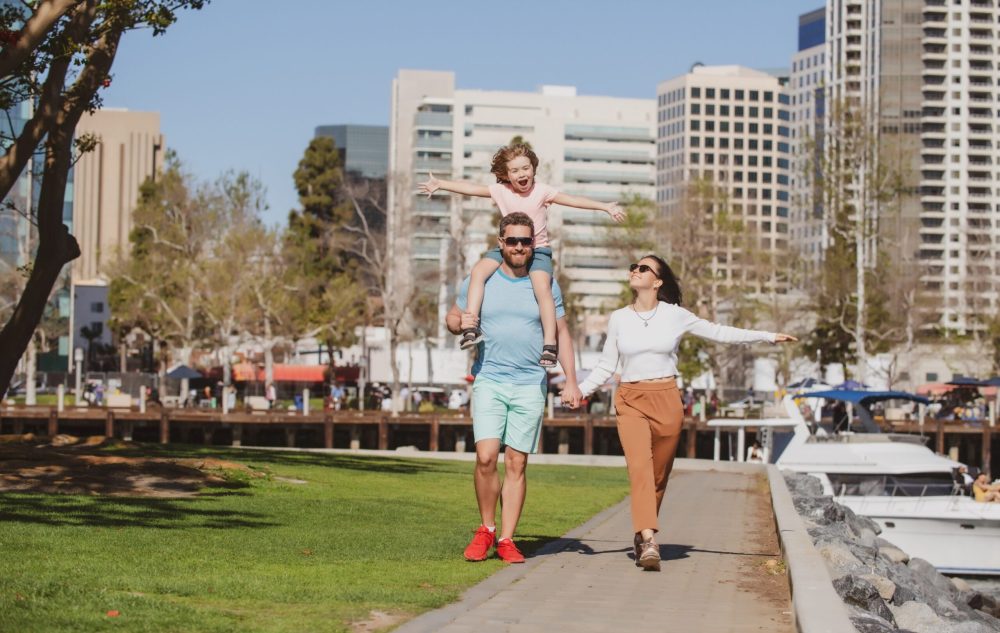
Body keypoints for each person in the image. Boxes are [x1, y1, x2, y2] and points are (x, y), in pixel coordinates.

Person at [576, 255, 796, 571]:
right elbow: (606, 365)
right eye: (633, 267)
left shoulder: (675, 316)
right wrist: (580, 391)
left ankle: (641, 532)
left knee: (658, 476)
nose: (634, 272)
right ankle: (650, 540)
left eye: (643, 269)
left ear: (658, 281)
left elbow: (720, 332)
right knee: (639, 468)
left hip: (666, 398)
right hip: (631, 399)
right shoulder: (619, 318)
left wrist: (767, 336)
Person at [445, 211, 581, 564]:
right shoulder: (483, 279)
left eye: (525, 241)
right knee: (486, 456)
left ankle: (506, 538)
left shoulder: (545, 282)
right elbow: (452, 317)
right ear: (500, 242)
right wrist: (459, 324)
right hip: (490, 377)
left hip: (529, 383)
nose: (519, 247)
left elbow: (563, 333)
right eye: (512, 241)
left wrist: (572, 381)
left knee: (517, 463)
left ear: (533, 243)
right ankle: (486, 529)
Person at [420, 142, 625, 367]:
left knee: (541, 288)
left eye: (525, 168)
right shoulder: (501, 191)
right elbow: (470, 188)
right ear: (507, 175)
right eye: (515, 171)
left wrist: (604, 207)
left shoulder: (542, 191)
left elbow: (573, 200)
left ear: (533, 168)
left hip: (537, 250)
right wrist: (441, 184)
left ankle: (549, 345)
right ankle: (471, 328)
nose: (522, 174)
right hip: (507, 247)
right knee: (478, 272)